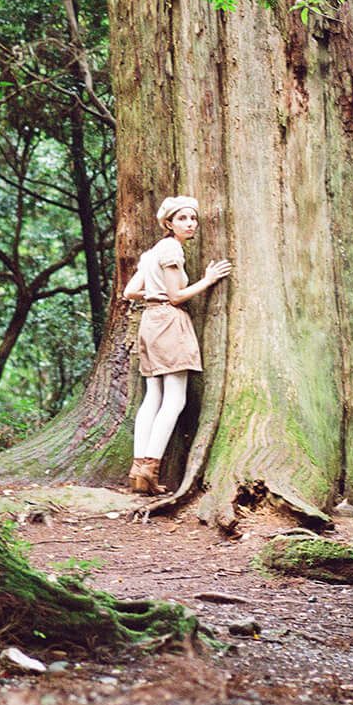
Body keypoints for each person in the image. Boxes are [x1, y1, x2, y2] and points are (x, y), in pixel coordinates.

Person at [122, 196, 231, 496]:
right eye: (182, 218)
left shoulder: (152, 253)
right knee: (174, 399)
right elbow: (176, 296)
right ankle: (150, 468)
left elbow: (130, 292)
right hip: (169, 322)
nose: (190, 223)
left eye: (193, 218)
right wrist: (208, 280)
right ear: (168, 224)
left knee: (153, 396)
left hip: (150, 322)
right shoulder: (171, 249)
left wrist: (152, 294)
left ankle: (138, 471)